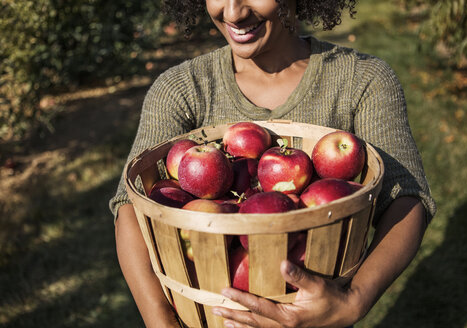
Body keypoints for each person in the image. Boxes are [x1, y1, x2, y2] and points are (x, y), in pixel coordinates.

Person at [109, 0, 437, 327]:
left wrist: (353, 303)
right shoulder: (182, 90)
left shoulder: (361, 81)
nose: (233, 12)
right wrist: (162, 322)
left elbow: (406, 199)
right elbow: (130, 206)